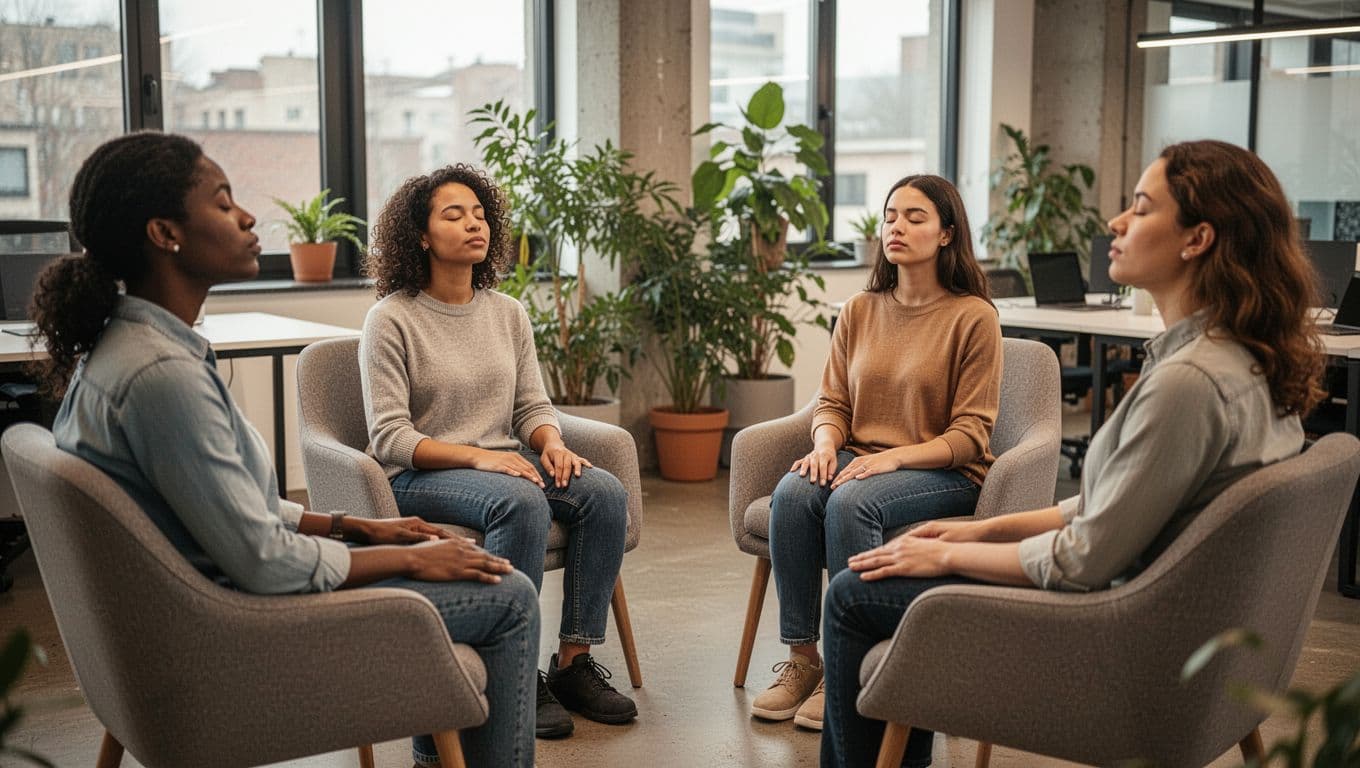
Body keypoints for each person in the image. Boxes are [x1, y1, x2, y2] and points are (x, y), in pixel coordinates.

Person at [33, 132, 539, 768]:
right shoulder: (160, 377)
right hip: (236, 629)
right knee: (511, 596)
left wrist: (354, 524)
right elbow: (267, 563)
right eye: (223, 203)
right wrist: (410, 563)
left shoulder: (128, 353)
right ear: (166, 233)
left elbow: (228, 505)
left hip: (199, 604)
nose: (248, 218)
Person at [819, 140, 1327, 768]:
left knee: (852, 592)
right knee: (889, 562)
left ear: (1196, 239)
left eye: (1140, 208)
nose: (1115, 223)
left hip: (1114, 634)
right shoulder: (1243, 360)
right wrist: (980, 531)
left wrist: (947, 553)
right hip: (1175, 619)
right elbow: (1111, 505)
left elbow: (1084, 559)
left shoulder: (1188, 385)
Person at [360, 164, 636, 739]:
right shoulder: (390, 319)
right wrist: (481, 458)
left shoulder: (507, 313)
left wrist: (552, 444)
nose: (473, 224)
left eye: (480, 214)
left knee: (603, 492)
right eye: (453, 214)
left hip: (506, 464)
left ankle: (572, 662)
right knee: (520, 502)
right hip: (417, 473)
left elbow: (532, 408)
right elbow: (391, 437)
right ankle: (512, 667)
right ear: (420, 235)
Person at [752, 175, 1002, 731]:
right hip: (858, 457)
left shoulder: (973, 317)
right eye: (891, 215)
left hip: (946, 469)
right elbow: (833, 402)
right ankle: (802, 660)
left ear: (946, 234)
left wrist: (895, 458)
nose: (897, 226)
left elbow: (972, 435)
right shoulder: (861, 309)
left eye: (916, 217)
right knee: (793, 494)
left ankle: (854, 668)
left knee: (850, 504)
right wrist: (823, 444)